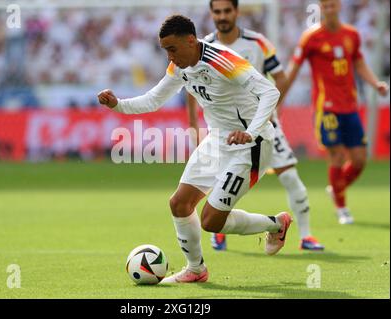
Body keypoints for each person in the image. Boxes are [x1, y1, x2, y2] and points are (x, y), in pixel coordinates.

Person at [98, 15, 292, 284]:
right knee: (179, 203)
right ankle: (196, 269)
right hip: (218, 141)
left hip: (252, 145)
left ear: (191, 40)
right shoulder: (179, 66)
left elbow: (270, 92)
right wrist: (117, 105)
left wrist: (250, 132)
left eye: (172, 49)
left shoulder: (223, 60)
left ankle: (277, 224)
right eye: (165, 50)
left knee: (211, 221)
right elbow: (154, 100)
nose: (169, 56)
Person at [188, 0, 323, 252]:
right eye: (217, 12)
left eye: (227, 11)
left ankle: (306, 235)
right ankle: (219, 232)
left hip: (264, 125)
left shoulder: (258, 42)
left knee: (291, 176)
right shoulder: (204, 46)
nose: (222, 16)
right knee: (217, 181)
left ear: (237, 12)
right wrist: (193, 124)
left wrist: (270, 111)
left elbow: (280, 78)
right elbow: (189, 86)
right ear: (211, 14)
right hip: (228, 131)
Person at [284, 0, 389, 224]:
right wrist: (278, 97)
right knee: (338, 156)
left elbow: (359, 62)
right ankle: (342, 208)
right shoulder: (311, 38)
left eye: (333, 5)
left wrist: (375, 83)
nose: (330, 9)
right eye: (326, 6)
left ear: (339, 6)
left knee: (360, 160)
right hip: (326, 108)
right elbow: (293, 70)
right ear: (321, 8)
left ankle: (336, 189)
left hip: (350, 106)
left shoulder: (351, 34)